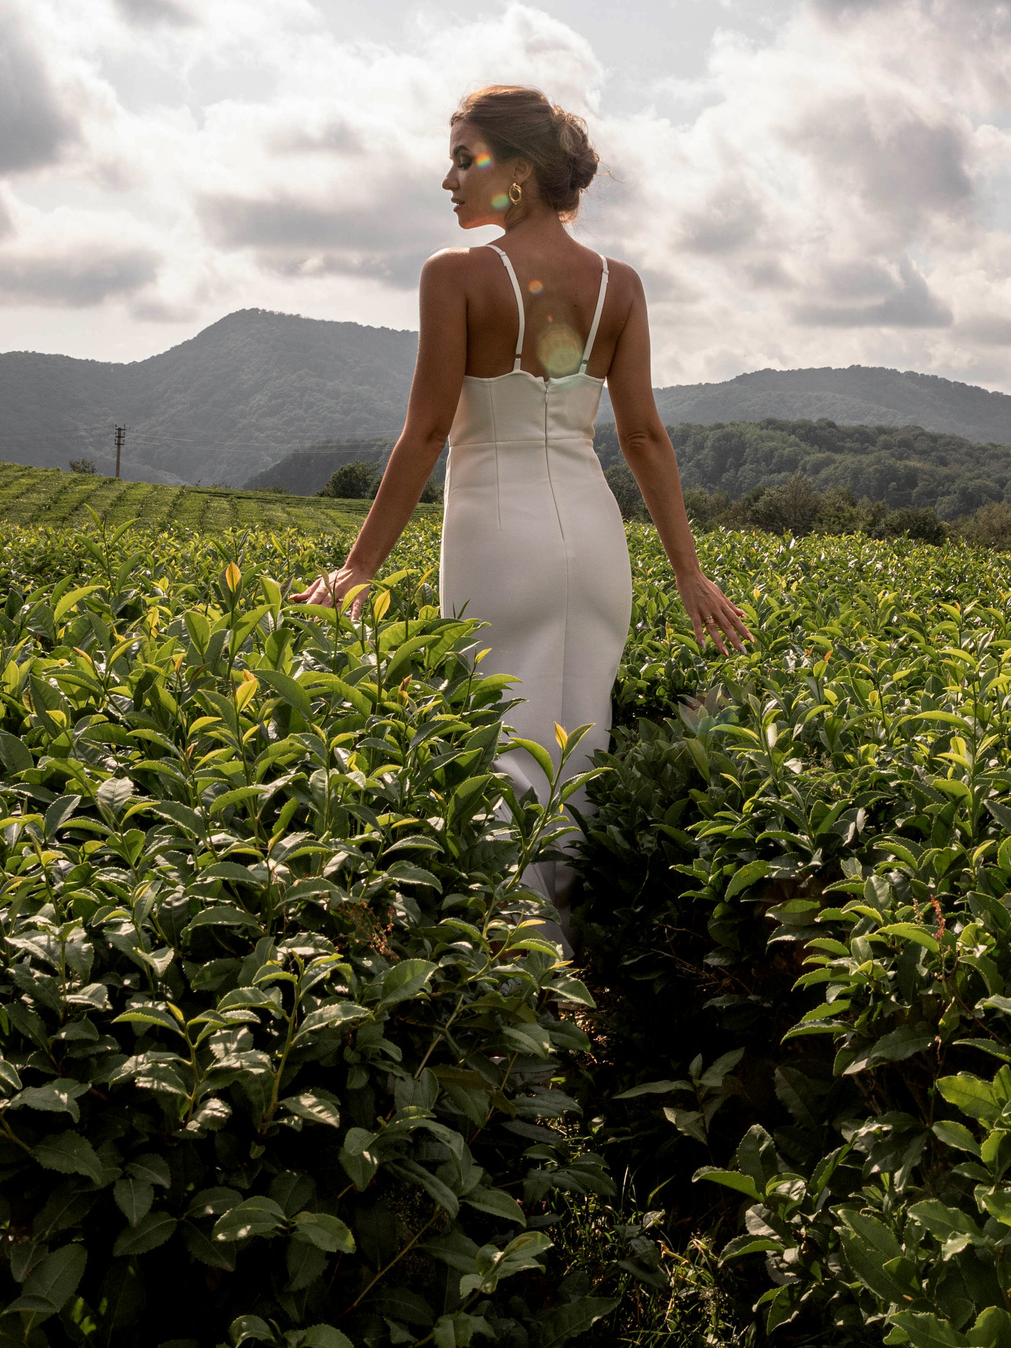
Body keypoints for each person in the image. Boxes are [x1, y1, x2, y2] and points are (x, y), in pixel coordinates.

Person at [297, 84, 750, 938]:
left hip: (496, 540)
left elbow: (427, 431)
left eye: (465, 158)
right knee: (580, 747)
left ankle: (516, 990)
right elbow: (646, 436)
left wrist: (360, 565)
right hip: (593, 537)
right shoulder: (620, 284)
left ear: (522, 172)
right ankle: (574, 973)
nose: (449, 180)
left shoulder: (455, 275)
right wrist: (688, 570)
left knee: (500, 750)